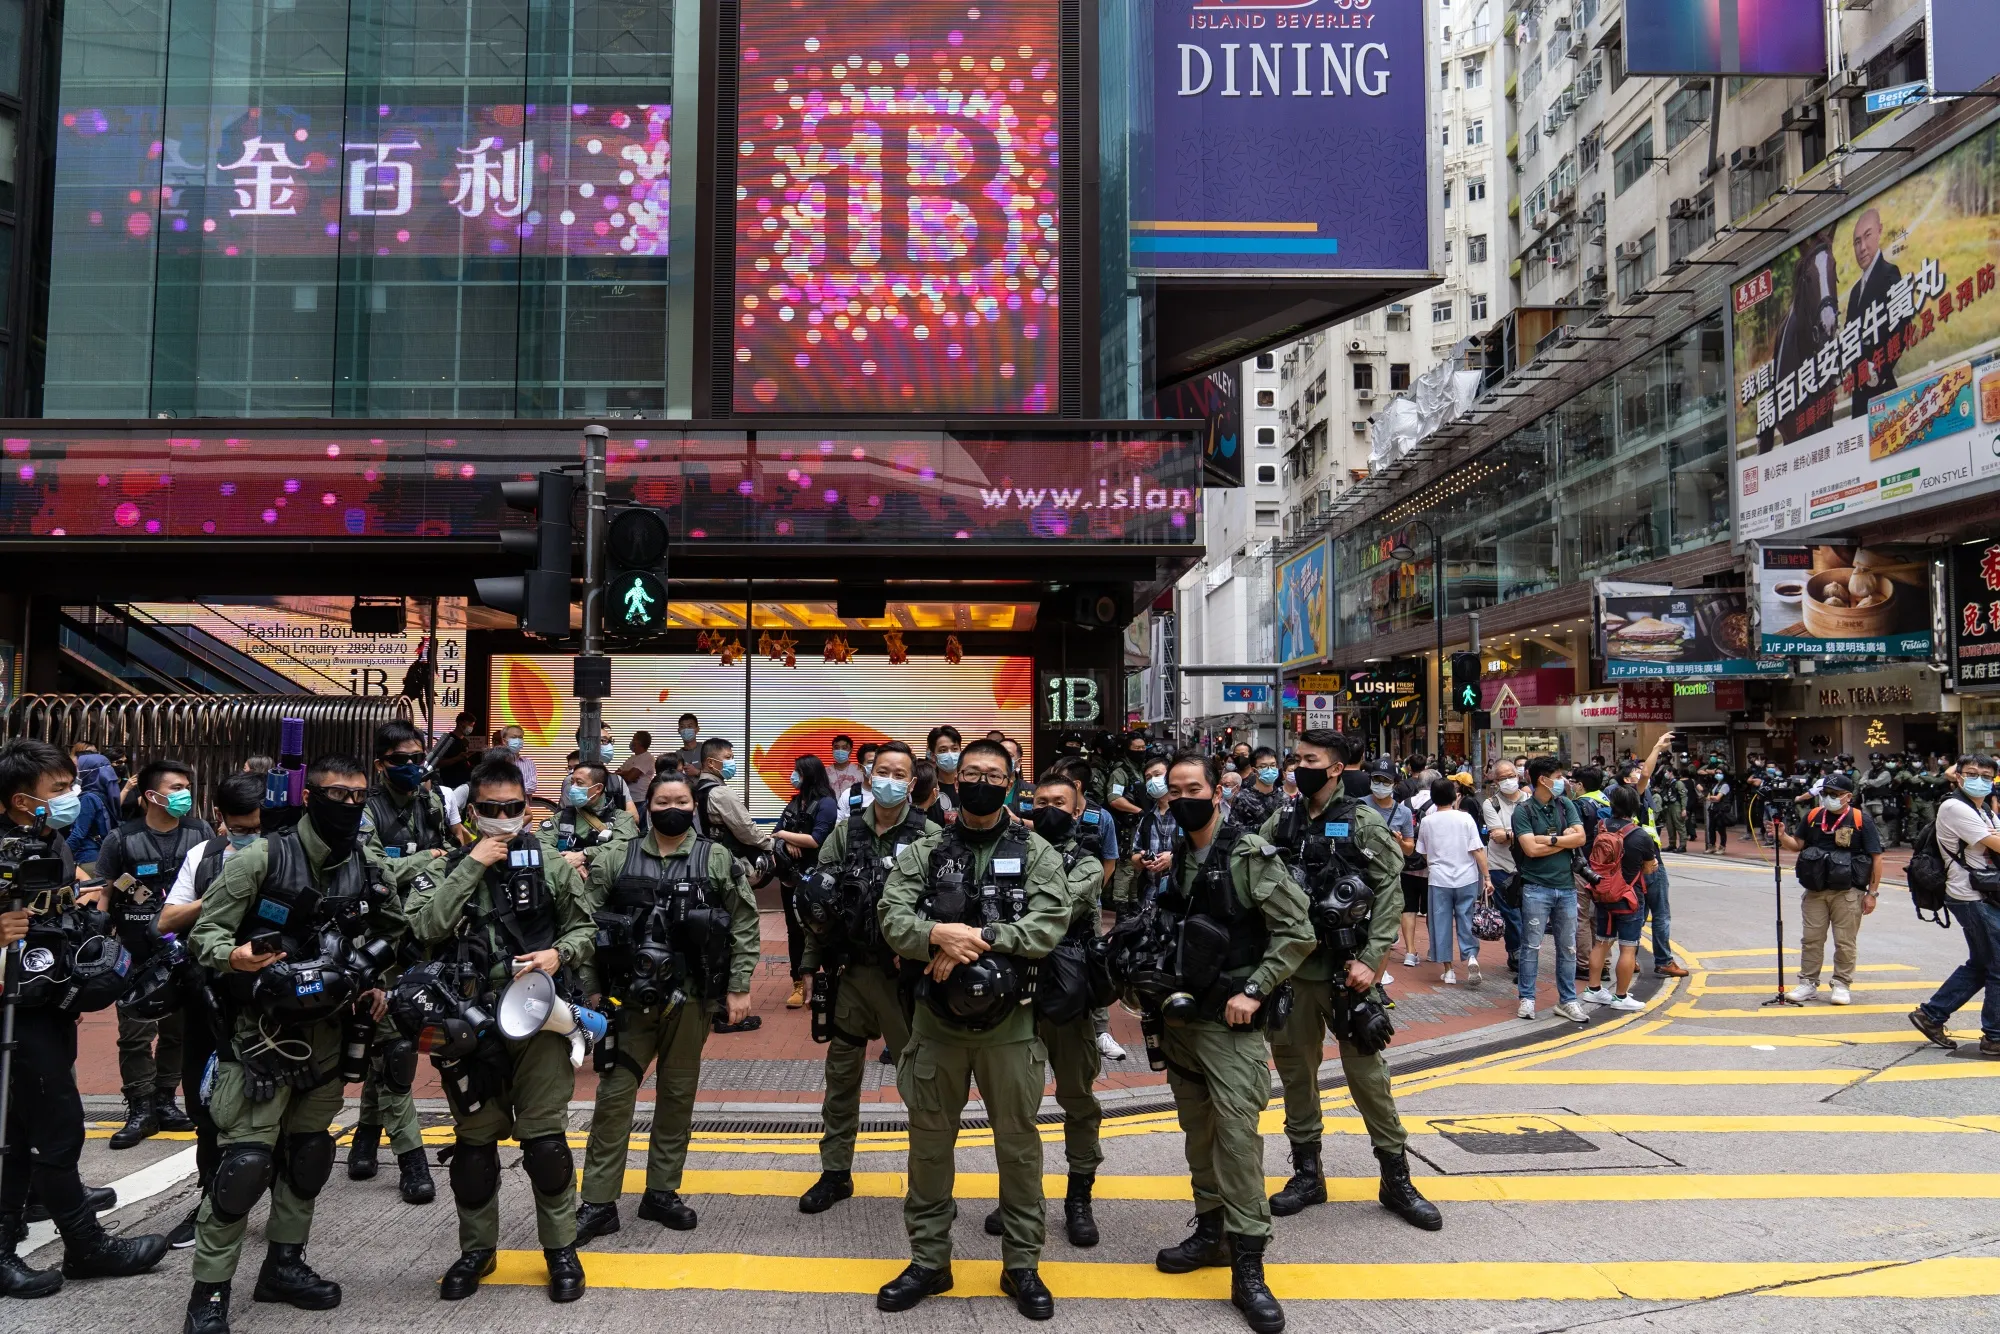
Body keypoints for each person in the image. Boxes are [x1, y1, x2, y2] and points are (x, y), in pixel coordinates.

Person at [181, 754, 404, 1334]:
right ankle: (209, 1291)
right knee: (246, 1165)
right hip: (262, 1036)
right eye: (337, 795)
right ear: (309, 797)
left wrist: (375, 983)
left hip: (330, 1034)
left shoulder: (366, 862)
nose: (349, 807)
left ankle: (284, 1264)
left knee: (307, 1157)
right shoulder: (261, 857)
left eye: (359, 797)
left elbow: (392, 932)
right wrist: (236, 957)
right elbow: (204, 935)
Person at [874, 739, 1071, 1319]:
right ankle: (930, 1262)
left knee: (1019, 1147)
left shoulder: (1036, 852)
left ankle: (1022, 1266)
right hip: (937, 1027)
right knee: (929, 1147)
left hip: (1012, 1029)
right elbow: (892, 918)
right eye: (971, 772)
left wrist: (971, 940)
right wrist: (936, 935)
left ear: (1011, 784)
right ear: (955, 780)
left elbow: (1047, 925)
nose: (981, 781)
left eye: (994, 773)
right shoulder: (924, 850)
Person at [402, 758, 595, 1305]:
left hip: (538, 1024)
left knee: (547, 1146)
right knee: (474, 1151)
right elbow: (424, 927)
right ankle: (476, 1249)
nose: (505, 819)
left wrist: (560, 954)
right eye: (492, 810)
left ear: (528, 809)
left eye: (515, 809)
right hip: (467, 1030)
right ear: (471, 812)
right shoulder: (446, 866)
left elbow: (584, 928)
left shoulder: (551, 864)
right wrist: (473, 865)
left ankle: (560, 1250)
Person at [0, 741, 169, 1300]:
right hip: (14, 1013)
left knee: (20, 1130)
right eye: (58, 790)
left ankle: (26, 1222)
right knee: (56, 1125)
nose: (71, 798)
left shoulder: (49, 840)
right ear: (23, 799)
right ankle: (84, 1246)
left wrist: (99, 898)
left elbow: (76, 889)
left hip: (51, 1001)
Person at [1150, 753, 1311, 1334]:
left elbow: (1298, 931)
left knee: (1238, 1141)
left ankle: (1249, 1266)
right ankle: (1210, 1231)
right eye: (1175, 789)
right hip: (1184, 1021)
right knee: (1199, 1133)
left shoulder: (1247, 854)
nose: (1183, 797)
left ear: (1218, 792)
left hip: (1233, 1023)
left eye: (1193, 787)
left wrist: (1255, 989)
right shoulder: (1178, 858)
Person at [1261, 732, 1441, 1241]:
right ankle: (1308, 1174)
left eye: (1309, 761)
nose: (1298, 768)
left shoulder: (1363, 821)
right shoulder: (1282, 820)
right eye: (1296, 760)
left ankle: (1395, 1178)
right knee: (1297, 1075)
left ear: (1336, 769)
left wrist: (1371, 956)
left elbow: (1390, 888)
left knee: (1368, 1077)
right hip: (1294, 973)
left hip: (1348, 974)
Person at [575, 771, 759, 1240]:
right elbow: (585, 925)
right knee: (614, 1098)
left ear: (692, 807)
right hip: (625, 1002)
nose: (671, 808)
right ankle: (598, 1202)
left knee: (676, 1098)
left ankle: (661, 1193)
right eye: (662, 801)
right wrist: (593, 991)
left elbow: (743, 923)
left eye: (680, 800)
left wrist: (738, 987)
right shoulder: (617, 856)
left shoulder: (715, 858)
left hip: (691, 999)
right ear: (648, 806)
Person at [974, 767, 1111, 1248]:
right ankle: (1020, 1194)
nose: (1048, 808)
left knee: (1076, 1098)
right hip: (1014, 990)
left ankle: (1079, 1197)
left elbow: (1053, 912)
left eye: (1060, 802)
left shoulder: (1089, 862)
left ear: (1078, 809)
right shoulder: (1010, 850)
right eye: (1041, 802)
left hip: (1068, 990)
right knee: (1015, 1104)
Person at [796, 743, 930, 1213]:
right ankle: (835, 1173)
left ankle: (927, 1184)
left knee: (921, 1084)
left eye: (901, 773)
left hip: (904, 983)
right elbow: (818, 903)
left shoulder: (930, 836)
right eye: (882, 771)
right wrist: (810, 964)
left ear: (912, 784)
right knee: (841, 1078)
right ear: (869, 777)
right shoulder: (844, 833)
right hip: (851, 974)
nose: (890, 779)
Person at [156, 772, 267, 1248]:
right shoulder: (202, 857)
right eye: (240, 829)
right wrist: (224, 892)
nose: (248, 837)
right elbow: (166, 919)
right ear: (220, 820)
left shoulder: (288, 858)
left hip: (269, 1003)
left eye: (257, 828)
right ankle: (208, 1197)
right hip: (208, 1000)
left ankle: (285, 1206)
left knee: (277, 1111)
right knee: (206, 1106)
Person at [93, 757, 213, 1150]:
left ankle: (166, 1099)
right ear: (151, 795)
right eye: (175, 787)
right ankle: (139, 1107)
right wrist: (96, 938)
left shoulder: (201, 834)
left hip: (184, 951)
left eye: (185, 787)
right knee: (135, 1033)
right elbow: (106, 892)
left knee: (178, 1031)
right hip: (134, 953)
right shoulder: (122, 839)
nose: (184, 794)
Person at [348, 721, 444, 1204]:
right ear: (381, 763)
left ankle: (365, 1137)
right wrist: (426, 858)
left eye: (416, 756)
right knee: (393, 1048)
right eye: (399, 759)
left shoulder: (431, 803)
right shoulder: (367, 810)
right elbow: (374, 870)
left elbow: (451, 854)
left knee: (389, 1044)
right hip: (378, 937)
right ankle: (411, 1160)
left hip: (421, 936)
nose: (410, 766)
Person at [1912, 756, 2000, 1057]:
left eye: (1986, 776)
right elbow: (1996, 843)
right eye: (1972, 774)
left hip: (1984, 893)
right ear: (1959, 777)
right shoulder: (1954, 807)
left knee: (1982, 963)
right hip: (1969, 894)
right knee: (1998, 966)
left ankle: (1932, 1014)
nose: (1979, 780)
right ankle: (1994, 1037)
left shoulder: (1984, 809)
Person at [1775, 773, 1882, 1006]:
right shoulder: (1813, 816)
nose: (1828, 798)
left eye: (1834, 795)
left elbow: (1876, 857)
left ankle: (1842, 984)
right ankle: (1808, 983)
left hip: (1848, 891)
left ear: (1848, 797)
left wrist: (1872, 893)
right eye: (1825, 793)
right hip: (1815, 889)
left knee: (1845, 941)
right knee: (1811, 939)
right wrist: (1781, 835)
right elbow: (1797, 846)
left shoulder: (1860, 819)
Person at [1512, 757, 1590, 1024]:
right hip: (1535, 887)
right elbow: (1530, 850)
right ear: (1543, 780)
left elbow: (1581, 837)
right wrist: (1564, 842)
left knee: (1567, 948)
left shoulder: (1565, 804)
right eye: (1558, 776)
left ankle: (1568, 1001)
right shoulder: (1523, 811)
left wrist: (1550, 839)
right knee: (1531, 945)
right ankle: (1527, 997)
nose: (1563, 781)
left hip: (1566, 887)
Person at [1580, 786, 1658, 1012]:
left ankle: (1593, 990)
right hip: (1628, 897)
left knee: (1602, 941)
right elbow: (1649, 867)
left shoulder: (1600, 828)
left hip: (1602, 892)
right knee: (1628, 948)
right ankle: (1621, 996)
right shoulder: (1640, 835)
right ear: (1634, 807)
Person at [774, 754, 840, 1008]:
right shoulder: (793, 803)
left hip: (817, 878)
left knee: (820, 928)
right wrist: (786, 839)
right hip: (789, 876)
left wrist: (784, 835)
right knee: (794, 930)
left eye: (798, 772)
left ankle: (831, 981)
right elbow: (776, 833)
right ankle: (799, 984)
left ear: (809, 775)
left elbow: (816, 840)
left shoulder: (826, 803)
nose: (793, 776)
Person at [1418, 778, 1488, 987]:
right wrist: (1487, 876)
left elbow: (1423, 852)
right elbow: (1477, 850)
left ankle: (1448, 971)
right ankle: (1471, 957)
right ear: (1454, 795)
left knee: (1440, 923)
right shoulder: (1465, 819)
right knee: (1466, 919)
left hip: (1439, 879)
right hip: (1466, 877)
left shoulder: (1427, 821)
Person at [539, 758, 641, 866]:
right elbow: (540, 846)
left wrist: (585, 855)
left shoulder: (621, 818)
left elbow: (624, 847)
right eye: (572, 782)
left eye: (579, 783)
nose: (573, 788)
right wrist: (567, 864)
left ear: (598, 788)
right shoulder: (560, 818)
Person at [1111, 756, 1175, 916]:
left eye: (1157, 775)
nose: (1153, 781)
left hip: (1180, 893)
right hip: (1152, 896)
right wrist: (1141, 859)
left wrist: (1173, 859)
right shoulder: (1147, 819)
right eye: (1148, 778)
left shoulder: (1185, 813)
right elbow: (1135, 856)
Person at [1481, 761, 1526, 974]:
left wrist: (1509, 834)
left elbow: (1505, 834)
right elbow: (1497, 837)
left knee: (1528, 912)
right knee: (1511, 914)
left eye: (1511, 775)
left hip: (1527, 866)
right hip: (1500, 866)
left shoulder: (1529, 800)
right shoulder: (1491, 803)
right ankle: (1516, 952)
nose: (1509, 780)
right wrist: (1524, 835)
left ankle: (1525, 951)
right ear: (1496, 781)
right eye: (1503, 778)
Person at [1229, 749, 1283, 833]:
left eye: (1273, 765)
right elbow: (1234, 830)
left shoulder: (1284, 797)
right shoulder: (1243, 798)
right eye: (1263, 766)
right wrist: (1266, 828)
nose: (1269, 770)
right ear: (1254, 770)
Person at [433, 713, 481, 792]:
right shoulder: (447, 740)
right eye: (470, 725)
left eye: (472, 726)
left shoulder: (465, 741)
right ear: (461, 723)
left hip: (464, 784)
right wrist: (457, 758)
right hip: (450, 785)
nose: (471, 728)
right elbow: (438, 763)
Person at [925, 725, 965, 817]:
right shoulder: (927, 787)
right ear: (933, 756)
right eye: (943, 750)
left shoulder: (968, 783)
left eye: (954, 749)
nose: (950, 754)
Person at [827, 733, 866, 807]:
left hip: (853, 810)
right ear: (832, 750)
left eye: (844, 748)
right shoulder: (825, 772)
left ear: (850, 751)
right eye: (836, 747)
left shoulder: (859, 770)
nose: (840, 750)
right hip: (831, 811)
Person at [1703, 763, 1731, 853]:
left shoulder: (1725, 785)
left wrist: (1711, 798)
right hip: (1713, 809)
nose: (1717, 774)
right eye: (1716, 773)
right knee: (1711, 828)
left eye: (1720, 773)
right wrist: (1712, 798)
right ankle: (1712, 846)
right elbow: (1709, 797)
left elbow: (1717, 798)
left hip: (1720, 810)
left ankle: (1722, 847)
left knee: (1721, 828)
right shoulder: (1714, 785)